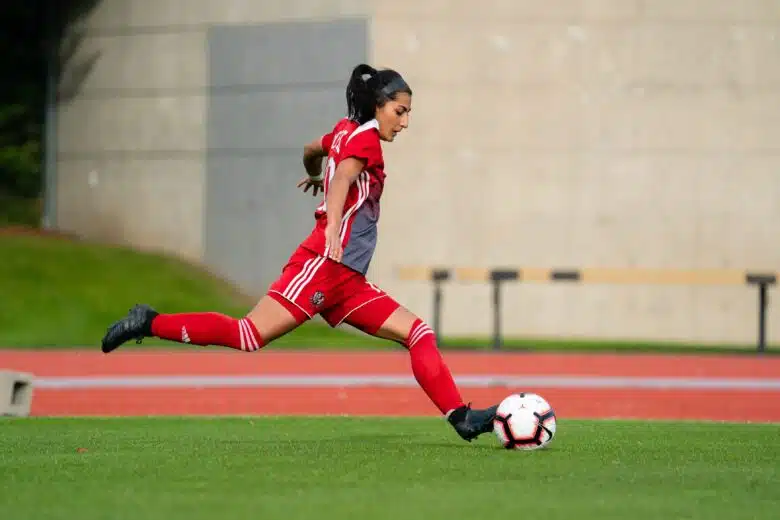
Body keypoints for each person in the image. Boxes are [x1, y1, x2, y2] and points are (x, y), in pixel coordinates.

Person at [100, 63, 498, 442]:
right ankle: (149, 322)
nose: (405, 121)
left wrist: (312, 175)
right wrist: (335, 224)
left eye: (408, 113)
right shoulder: (367, 141)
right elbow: (343, 177)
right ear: (378, 105)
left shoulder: (345, 131)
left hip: (348, 280)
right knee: (248, 334)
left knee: (418, 333)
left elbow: (312, 149)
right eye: (400, 111)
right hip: (323, 265)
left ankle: (460, 418)